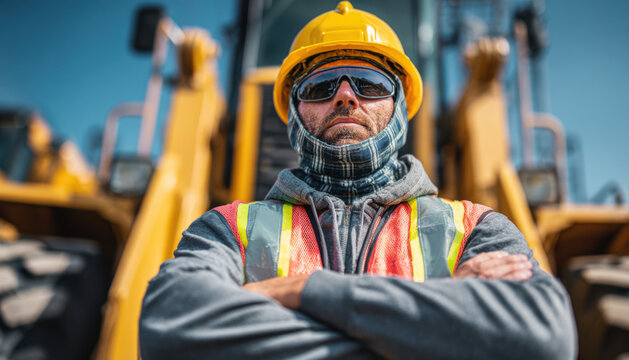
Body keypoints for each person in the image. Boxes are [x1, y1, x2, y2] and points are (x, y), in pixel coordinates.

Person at [139, 2, 576, 359]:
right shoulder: (228, 229)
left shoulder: (475, 228)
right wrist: (433, 328)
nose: (345, 95)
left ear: (400, 104)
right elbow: (169, 327)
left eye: (369, 83)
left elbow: (542, 336)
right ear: (294, 110)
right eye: (318, 86)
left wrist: (299, 290)